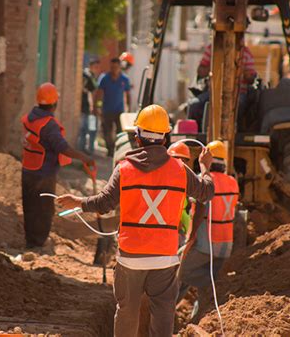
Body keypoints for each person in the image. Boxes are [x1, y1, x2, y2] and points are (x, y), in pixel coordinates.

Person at [56, 104, 214, 337]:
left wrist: (77, 201)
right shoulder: (180, 170)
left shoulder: (124, 169)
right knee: (163, 313)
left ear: (138, 137)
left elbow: (104, 203)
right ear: (165, 137)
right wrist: (205, 168)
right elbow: (206, 192)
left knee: (127, 311)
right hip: (164, 256)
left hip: (131, 257)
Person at [21, 82, 94, 249]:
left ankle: (31, 242)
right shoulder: (48, 125)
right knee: (44, 211)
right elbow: (63, 148)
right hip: (43, 173)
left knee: (30, 207)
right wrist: (85, 158)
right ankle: (39, 244)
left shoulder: (30, 117)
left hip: (28, 169)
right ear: (55, 103)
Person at [177, 140, 239, 316]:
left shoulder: (205, 181)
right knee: (207, 283)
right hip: (226, 246)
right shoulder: (233, 182)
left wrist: (189, 239)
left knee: (176, 273)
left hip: (205, 245)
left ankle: (162, 316)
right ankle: (198, 318)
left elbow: (198, 212)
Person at [188, 39, 257, 130]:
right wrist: (215, 65)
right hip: (213, 92)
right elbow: (200, 71)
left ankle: (237, 133)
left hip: (238, 93)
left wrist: (242, 72)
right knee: (194, 105)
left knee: (238, 107)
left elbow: (251, 79)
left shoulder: (245, 53)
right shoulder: (212, 49)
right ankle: (197, 134)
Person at [95, 58, 132, 157]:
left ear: (119, 67)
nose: (114, 69)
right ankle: (110, 150)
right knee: (107, 131)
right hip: (107, 110)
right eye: (112, 67)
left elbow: (128, 95)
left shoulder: (125, 79)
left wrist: (129, 108)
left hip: (120, 110)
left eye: (116, 67)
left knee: (120, 132)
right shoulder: (104, 78)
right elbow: (99, 94)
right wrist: (97, 107)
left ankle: (119, 150)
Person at [167, 142, 193, 247]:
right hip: (174, 227)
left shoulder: (183, 177)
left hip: (180, 227)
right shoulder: (168, 178)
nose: (179, 163)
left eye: (182, 160)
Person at [78, 59, 100, 154]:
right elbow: (91, 93)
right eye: (95, 67)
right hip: (88, 109)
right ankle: (89, 149)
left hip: (87, 108)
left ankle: (84, 148)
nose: (97, 69)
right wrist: (92, 107)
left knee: (85, 129)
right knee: (90, 129)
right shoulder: (88, 76)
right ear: (91, 66)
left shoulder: (89, 76)